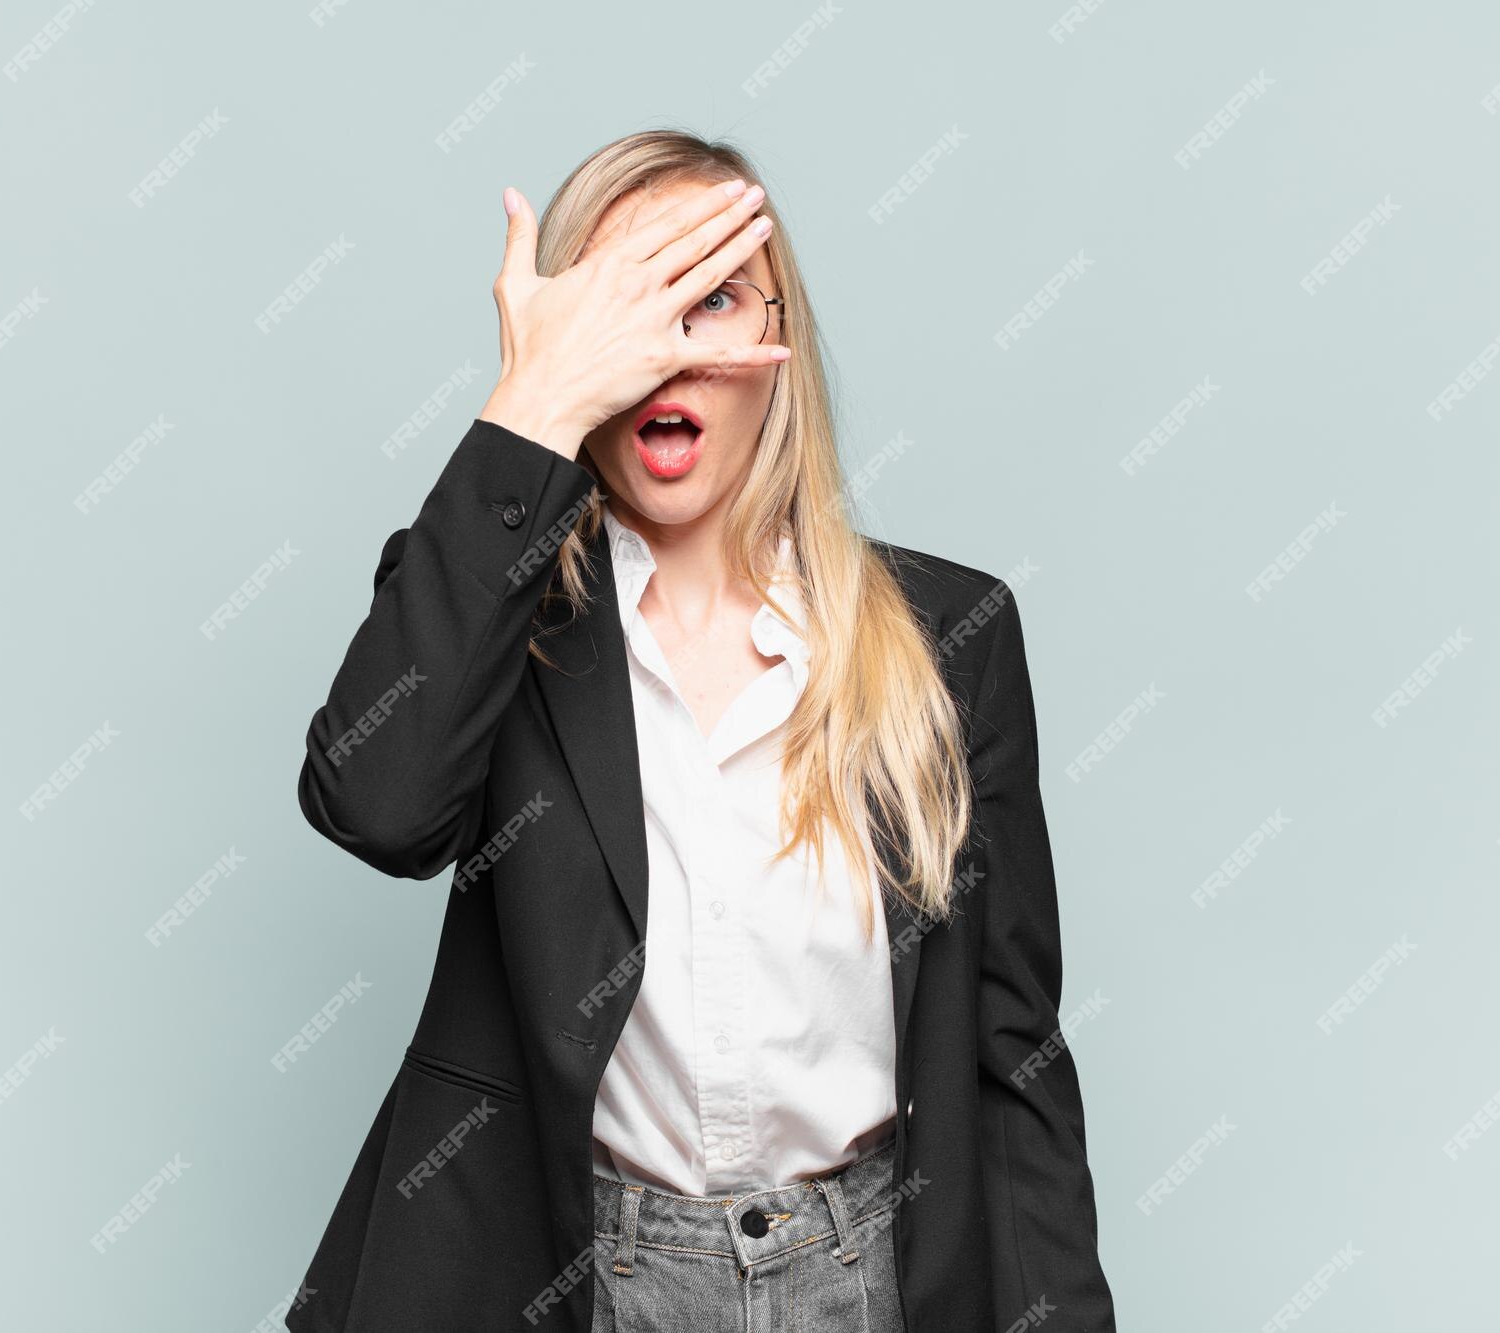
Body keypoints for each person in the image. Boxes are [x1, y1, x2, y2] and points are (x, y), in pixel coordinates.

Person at [287, 130, 1116, 1333]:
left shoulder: (951, 638)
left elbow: (1010, 1060)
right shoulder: (487, 616)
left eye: (711, 296)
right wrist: (533, 402)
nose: (666, 346)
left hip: (874, 1278)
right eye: (628, 301)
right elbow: (377, 804)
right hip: (586, 1280)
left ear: (777, 344)